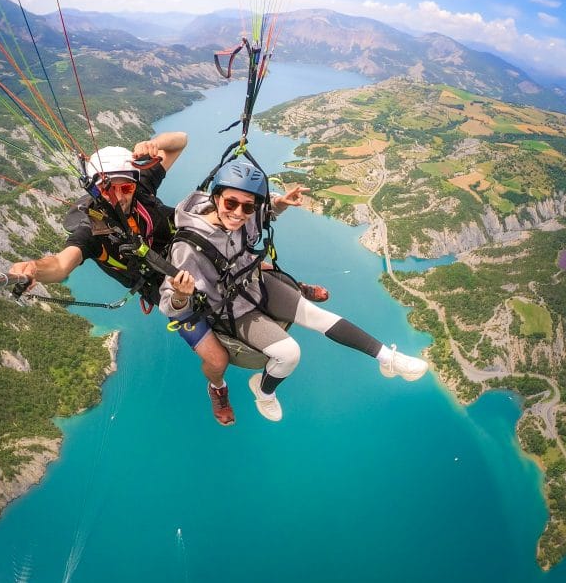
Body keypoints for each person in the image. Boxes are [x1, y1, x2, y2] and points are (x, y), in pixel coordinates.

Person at [160, 158, 429, 422]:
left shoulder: (242, 216)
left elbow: (262, 215)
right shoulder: (188, 247)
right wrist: (182, 296)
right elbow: (168, 302)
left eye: (247, 207)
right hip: (230, 308)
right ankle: (263, 392)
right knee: (289, 354)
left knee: (316, 315)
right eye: (231, 203)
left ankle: (387, 358)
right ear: (216, 198)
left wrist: (278, 203)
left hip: (254, 284)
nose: (239, 213)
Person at [8, 131, 235, 425]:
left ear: (134, 182)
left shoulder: (142, 189)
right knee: (217, 360)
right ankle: (218, 387)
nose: (118, 195)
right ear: (96, 190)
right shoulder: (91, 231)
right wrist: (34, 269)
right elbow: (63, 265)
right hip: (168, 289)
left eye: (125, 187)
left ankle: (293, 292)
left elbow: (180, 140)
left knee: (240, 251)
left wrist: (152, 145)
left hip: (192, 255)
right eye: (107, 188)